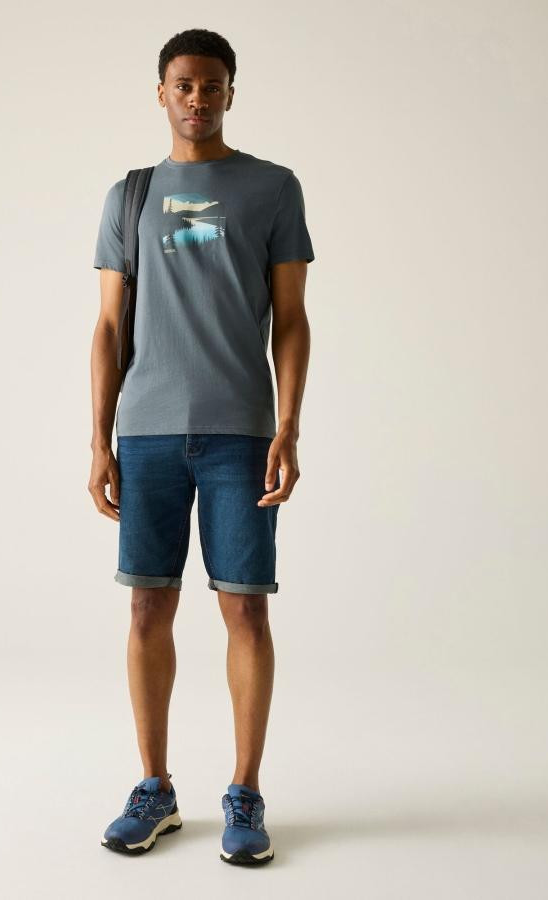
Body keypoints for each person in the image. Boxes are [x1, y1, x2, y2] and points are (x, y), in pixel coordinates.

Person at [88, 27, 314, 867]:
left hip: (241, 432)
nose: (196, 97)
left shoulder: (273, 188)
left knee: (245, 608)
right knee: (148, 607)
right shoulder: (130, 196)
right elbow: (108, 327)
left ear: (229, 93)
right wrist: (99, 439)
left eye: (211, 84)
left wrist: (289, 425)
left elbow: (291, 319)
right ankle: (155, 788)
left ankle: (245, 792)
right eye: (183, 84)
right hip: (145, 430)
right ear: (162, 92)